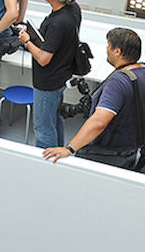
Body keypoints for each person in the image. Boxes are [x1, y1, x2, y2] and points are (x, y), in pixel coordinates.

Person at [43, 28, 145, 166]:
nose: (106, 49)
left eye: (109, 46)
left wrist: (69, 148)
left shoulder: (118, 82)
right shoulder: (141, 70)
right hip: (135, 147)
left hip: (112, 151)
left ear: (117, 51)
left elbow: (99, 122)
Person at [19, 0, 81, 148]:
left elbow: (44, 59)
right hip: (61, 76)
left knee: (43, 127)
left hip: (47, 82)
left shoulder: (58, 23)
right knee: (55, 119)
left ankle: (45, 165)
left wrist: (27, 41)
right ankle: (58, 154)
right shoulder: (73, 9)